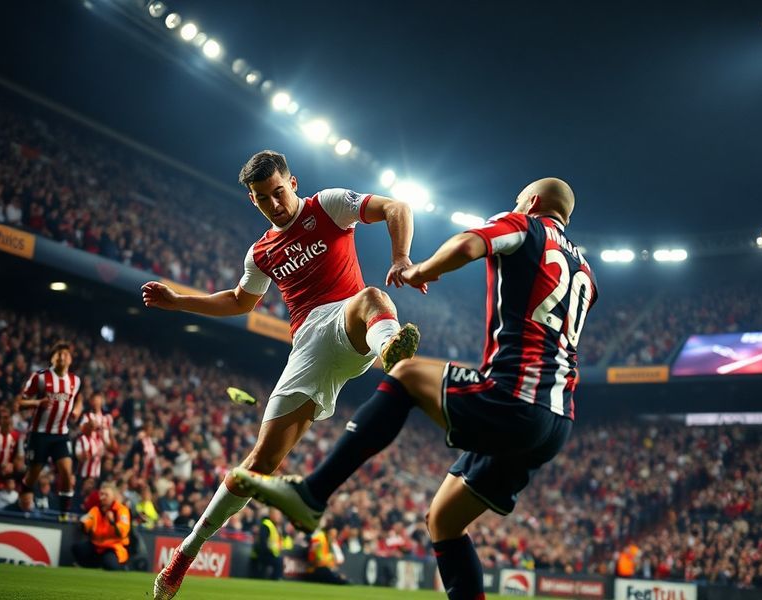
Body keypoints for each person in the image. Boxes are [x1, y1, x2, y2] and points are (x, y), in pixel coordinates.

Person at [241, 178, 598, 600]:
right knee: (444, 522)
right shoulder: (586, 271)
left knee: (407, 374)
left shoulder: (525, 224)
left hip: (514, 396)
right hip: (557, 420)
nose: (515, 204)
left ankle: (312, 494)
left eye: (519, 200)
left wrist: (417, 270)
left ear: (533, 201)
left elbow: (468, 244)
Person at [148, 150, 422, 599]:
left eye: (278, 192)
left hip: (352, 321)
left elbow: (398, 207)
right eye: (263, 198)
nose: (274, 204)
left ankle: (392, 351)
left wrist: (401, 258)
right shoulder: (260, 253)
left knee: (373, 296)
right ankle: (184, 556)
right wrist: (179, 301)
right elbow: (239, 301)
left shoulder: (328, 205)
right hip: (309, 346)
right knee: (259, 464)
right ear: (253, 200)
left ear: (293, 183)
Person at [16, 340, 83, 519]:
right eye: (58, 354)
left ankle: (64, 514)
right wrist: (38, 402)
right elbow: (20, 402)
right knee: (32, 476)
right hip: (40, 434)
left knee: (67, 473)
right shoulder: (40, 377)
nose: (62, 357)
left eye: (66, 354)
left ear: (70, 359)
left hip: (61, 435)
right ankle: (21, 503)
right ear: (52, 358)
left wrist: (77, 410)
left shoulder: (75, 380)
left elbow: (79, 398)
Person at [72, 482, 131, 571]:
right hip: (97, 545)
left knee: (110, 565)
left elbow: (122, 533)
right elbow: (86, 524)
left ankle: (122, 567)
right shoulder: (96, 510)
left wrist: (113, 523)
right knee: (77, 549)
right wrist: (82, 523)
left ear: (113, 496)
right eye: (101, 494)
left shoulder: (121, 510)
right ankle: (94, 566)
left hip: (113, 546)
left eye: (106, 495)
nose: (102, 497)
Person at [250, 507, 283, 580]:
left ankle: (275, 578)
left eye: (279, 514)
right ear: (271, 514)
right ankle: (277, 578)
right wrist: (269, 551)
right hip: (263, 553)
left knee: (279, 560)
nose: (279, 516)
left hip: (270, 553)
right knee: (278, 561)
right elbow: (263, 542)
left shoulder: (276, 526)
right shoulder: (267, 524)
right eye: (277, 514)